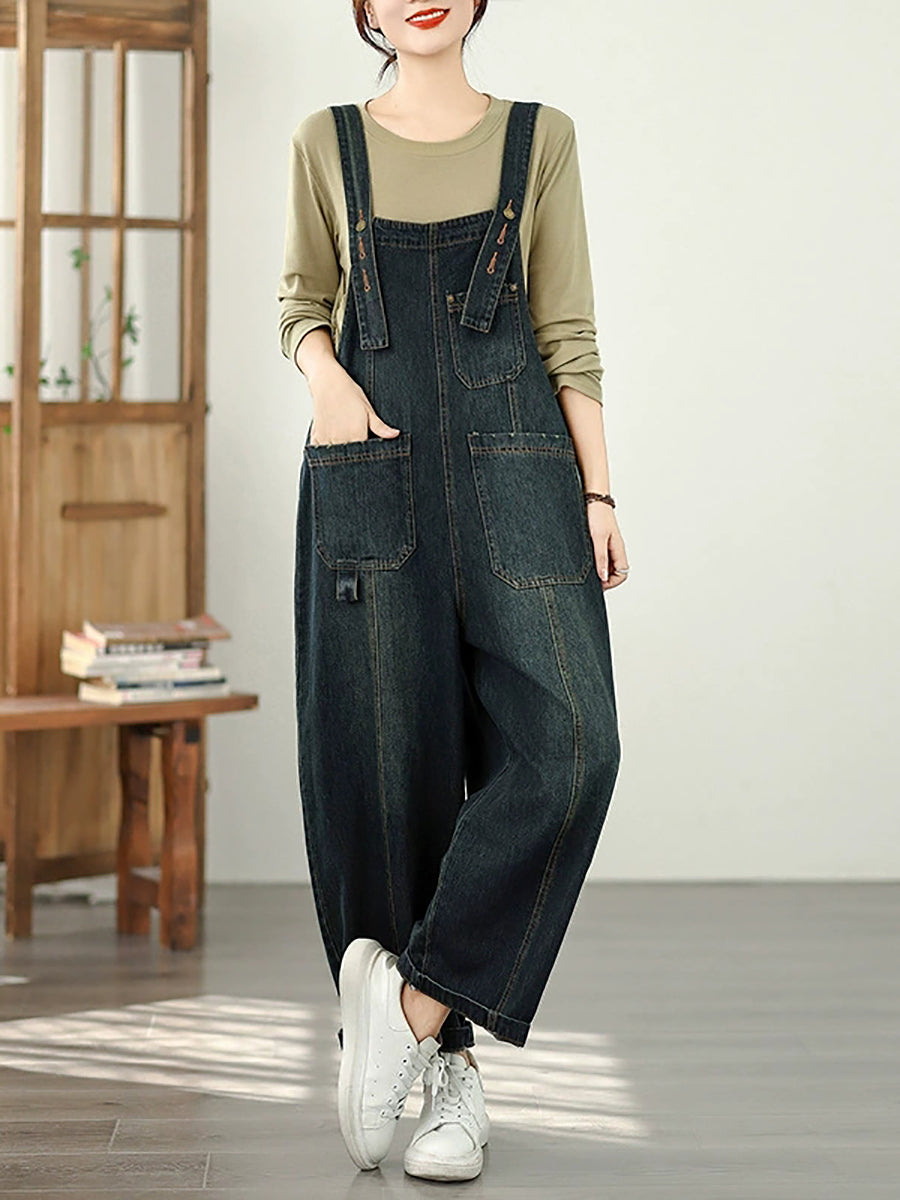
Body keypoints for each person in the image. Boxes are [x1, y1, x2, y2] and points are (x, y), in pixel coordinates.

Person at [277, 0, 629, 1182]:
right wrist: (327, 383)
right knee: (388, 770)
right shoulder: (327, 141)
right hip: (371, 459)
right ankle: (448, 1078)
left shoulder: (542, 137)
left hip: (523, 468)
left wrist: (598, 493)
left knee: (573, 744)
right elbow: (299, 301)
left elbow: (567, 330)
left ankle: (413, 1009)